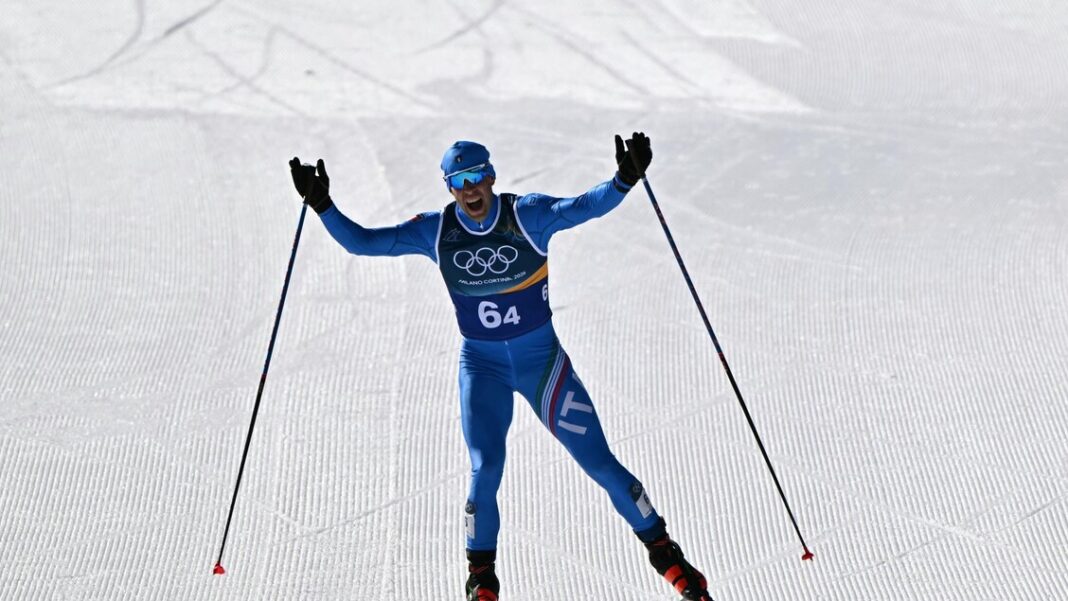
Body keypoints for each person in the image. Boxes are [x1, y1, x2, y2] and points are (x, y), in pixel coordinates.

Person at [289, 133, 713, 601]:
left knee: (600, 463)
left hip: (543, 365)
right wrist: (323, 204)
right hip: (483, 367)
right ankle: (481, 581)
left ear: (491, 176)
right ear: (449, 187)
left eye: (476, 177)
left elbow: (582, 207)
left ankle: (668, 557)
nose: (470, 190)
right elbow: (365, 244)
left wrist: (624, 179)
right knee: (485, 467)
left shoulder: (525, 215)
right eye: (458, 181)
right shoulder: (436, 231)